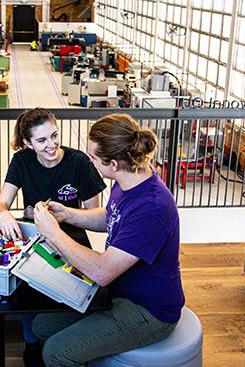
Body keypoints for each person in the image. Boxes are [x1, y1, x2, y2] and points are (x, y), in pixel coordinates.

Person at [30, 113, 184, 367]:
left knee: (56, 353)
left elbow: (102, 272)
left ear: (113, 163)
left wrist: (53, 233)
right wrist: (68, 215)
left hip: (149, 311)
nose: (88, 161)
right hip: (118, 291)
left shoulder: (152, 207)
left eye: (92, 157)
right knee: (42, 326)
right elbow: (112, 216)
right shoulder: (127, 180)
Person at [0, 107, 106, 366]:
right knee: (28, 287)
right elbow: (2, 204)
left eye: (54, 136)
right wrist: (6, 215)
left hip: (72, 240)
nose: (51, 145)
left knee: (67, 293)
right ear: (27, 143)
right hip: (36, 240)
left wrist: (63, 215)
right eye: (42, 140)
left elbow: (95, 214)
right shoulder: (21, 162)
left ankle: (62, 340)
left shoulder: (79, 162)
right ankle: (31, 343)